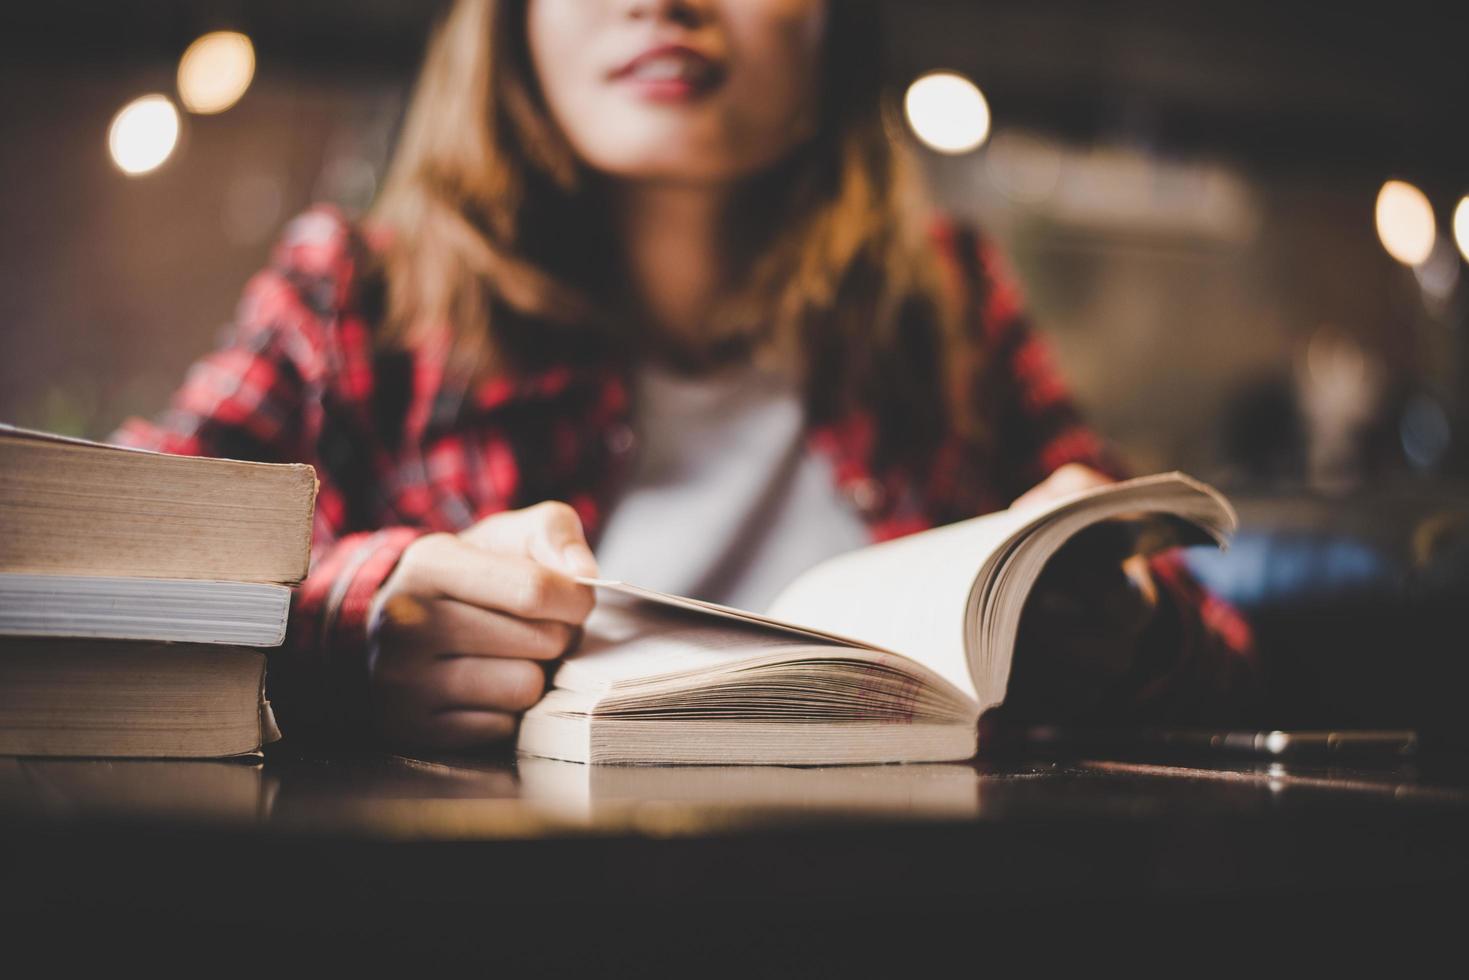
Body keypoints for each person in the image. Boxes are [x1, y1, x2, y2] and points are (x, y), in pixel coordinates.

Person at [114, 0, 1257, 750]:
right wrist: (354, 613)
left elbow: (1217, 658)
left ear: (835, 33)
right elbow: (98, 576)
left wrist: (1131, 622)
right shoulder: (354, 294)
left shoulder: (947, 299)